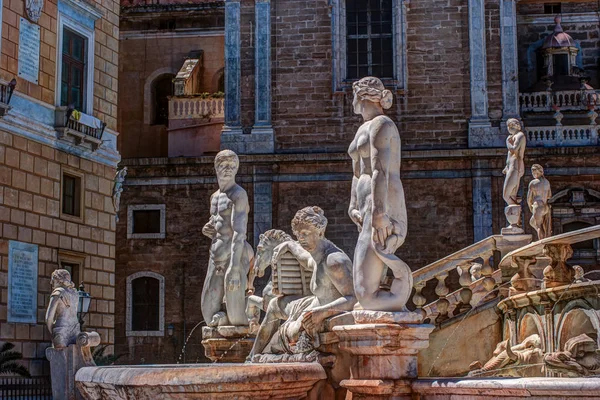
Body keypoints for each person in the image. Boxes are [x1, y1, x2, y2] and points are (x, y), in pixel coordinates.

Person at [248, 206, 355, 359]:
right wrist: (289, 244)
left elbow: (354, 299)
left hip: (321, 314)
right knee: (273, 305)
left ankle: (268, 358)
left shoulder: (334, 261)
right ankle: (252, 356)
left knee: (283, 338)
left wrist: (322, 312)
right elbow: (305, 260)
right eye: (298, 235)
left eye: (305, 233)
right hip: (313, 304)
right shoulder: (316, 255)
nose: (301, 239)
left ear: (320, 231)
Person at [347, 76, 412, 312]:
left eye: (353, 94)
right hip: (367, 206)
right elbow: (358, 172)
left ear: (362, 96)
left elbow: (380, 170)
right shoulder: (363, 128)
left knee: (365, 295)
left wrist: (379, 212)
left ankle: (399, 307)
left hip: (382, 204)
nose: (351, 99)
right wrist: (353, 204)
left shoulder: (382, 124)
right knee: (364, 288)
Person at [201, 150, 253, 327]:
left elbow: (239, 233)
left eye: (232, 166)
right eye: (224, 166)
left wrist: (235, 267)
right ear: (216, 168)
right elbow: (217, 226)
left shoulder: (239, 194)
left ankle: (250, 324)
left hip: (234, 257)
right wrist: (208, 229)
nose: (228, 170)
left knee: (236, 319)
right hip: (215, 259)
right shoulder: (214, 198)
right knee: (208, 314)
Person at [45, 269, 80, 348]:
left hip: (61, 330)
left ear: (59, 280)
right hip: (75, 329)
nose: (51, 282)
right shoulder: (75, 293)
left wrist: (52, 332)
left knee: (59, 357)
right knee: (74, 357)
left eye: (53, 279)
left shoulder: (57, 293)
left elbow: (48, 318)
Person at [502, 119, 526, 206]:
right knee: (512, 196)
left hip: (515, 167)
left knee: (506, 195)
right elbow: (511, 155)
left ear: (512, 126)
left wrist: (507, 142)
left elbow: (513, 149)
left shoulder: (520, 136)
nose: (508, 129)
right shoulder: (515, 136)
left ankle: (515, 214)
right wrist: (506, 166)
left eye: (508, 127)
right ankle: (516, 216)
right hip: (511, 167)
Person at [527, 164, 552, 240]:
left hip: (537, 205)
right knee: (532, 222)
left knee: (538, 226)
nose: (532, 173)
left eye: (533, 172)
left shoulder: (533, 183)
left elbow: (528, 198)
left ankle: (542, 244)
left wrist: (531, 207)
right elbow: (549, 196)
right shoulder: (547, 182)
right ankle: (545, 239)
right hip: (545, 206)